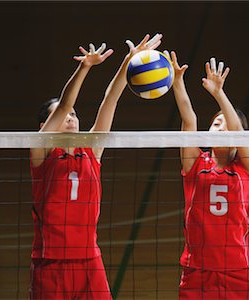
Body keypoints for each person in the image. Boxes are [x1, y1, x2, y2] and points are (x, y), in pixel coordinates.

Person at [29, 33, 163, 300]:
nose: (70, 118)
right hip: (50, 262)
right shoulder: (41, 152)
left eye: (74, 115)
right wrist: (84, 67)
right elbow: (67, 102)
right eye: (63, 116)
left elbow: (109, 100)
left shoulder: (91, 151)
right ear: (44, 127)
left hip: (90, 260)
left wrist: (129, 62)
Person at [166, 50, 249, 299]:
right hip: (198, 271)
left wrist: (219, 94)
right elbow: (189, 121)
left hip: (239, 270)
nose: (219, 127)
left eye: (225, 124)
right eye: (215, 123)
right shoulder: (195, 163)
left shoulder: (248, 168)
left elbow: (239, 133)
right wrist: (178, 83)